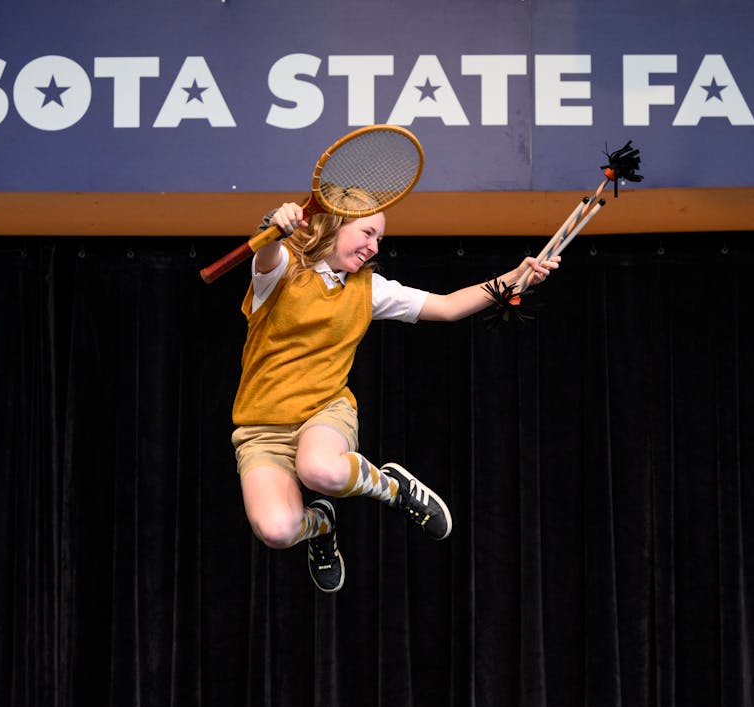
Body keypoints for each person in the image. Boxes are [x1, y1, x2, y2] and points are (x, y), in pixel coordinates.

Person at [230, 186, 560, 592]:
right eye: (367, 233)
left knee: (319, 469)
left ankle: (395, 489)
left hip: (323, 412)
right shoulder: (282, 270)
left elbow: (449, 306)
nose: (374, 247)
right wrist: (273, 224)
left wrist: (516, 279)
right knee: (278, 531)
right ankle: (322, 525)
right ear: (333, 224)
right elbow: (266, 255)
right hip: (262, 430)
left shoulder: (370, 290)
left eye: (380, 239)